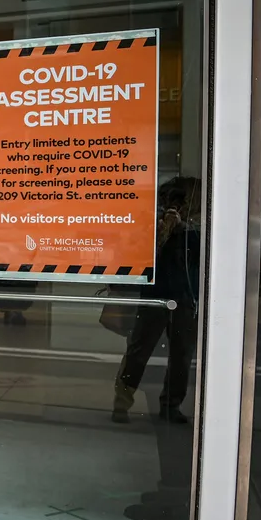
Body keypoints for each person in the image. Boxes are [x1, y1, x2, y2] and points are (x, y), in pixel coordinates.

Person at [113, 176, 201, 425]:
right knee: (139, 351)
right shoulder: (152, 224)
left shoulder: (195, 229)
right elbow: (138, 252)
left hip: (185, 298)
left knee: (181, 355)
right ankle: (122, 402)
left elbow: (200, 255)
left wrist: (183, 228)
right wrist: (164, 228)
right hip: (155, 297)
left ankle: (171, 405)